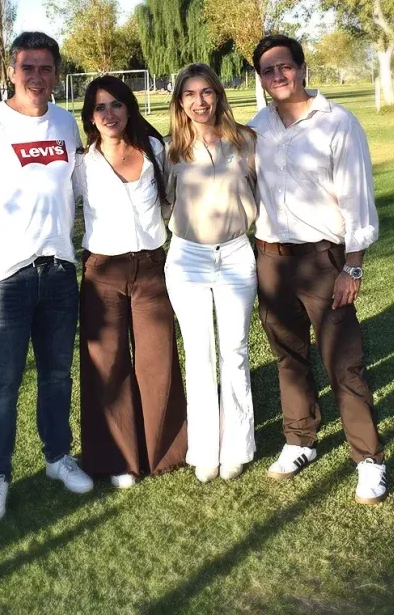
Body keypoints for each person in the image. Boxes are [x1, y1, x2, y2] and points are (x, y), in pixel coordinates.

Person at [0, 31, 93, 524]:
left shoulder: (65, 123)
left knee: (57, 375)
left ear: (56, 73)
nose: (36, 76)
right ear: (11, 71)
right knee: (2, 385)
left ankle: (57, 457)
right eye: (27, 67)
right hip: (5, 278)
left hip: (59, 271)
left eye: (45, 68)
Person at [249, 34, 386, 505]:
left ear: (302, 68)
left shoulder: (338, 123)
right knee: (288, 357)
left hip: (324, 261)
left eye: (284, 66)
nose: (278, 76)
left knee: (343, 362)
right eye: (268, 70)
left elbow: (358, 199)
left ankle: (368, 459)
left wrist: (353, 268)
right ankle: (300, 440)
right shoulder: (257, 127)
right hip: (271, 260)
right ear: (260, 79)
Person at [73, 76, 188, 489]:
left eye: (117, 104)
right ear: (90, 117)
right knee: (107, 364)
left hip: (151, 269)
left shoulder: (154, 149)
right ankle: (118, 458)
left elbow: (172, 200)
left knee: (157, 361)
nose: (109, 114)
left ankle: (164, 452)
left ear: (129, 108)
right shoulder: (81, 164)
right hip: (103, 271)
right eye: (100, 107)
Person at [164, 63, 258, 483]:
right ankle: (204, 451)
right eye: (189, 94)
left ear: (218, 95)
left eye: (206, 92)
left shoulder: (245, 141)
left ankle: (237, 446)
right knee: (199, 355)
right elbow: (163, 201)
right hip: (187, 259)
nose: (199, 102)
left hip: (236, 255)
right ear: (180, 102)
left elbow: (262, 190)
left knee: (234, 351)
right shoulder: (171, 150)